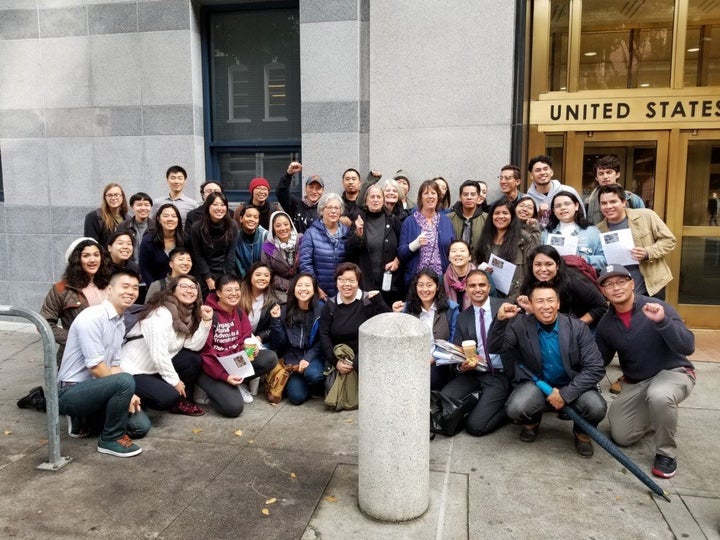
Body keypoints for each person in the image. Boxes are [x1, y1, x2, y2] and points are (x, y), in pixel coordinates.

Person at [594, 265, 696, 478]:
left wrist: (662, 321)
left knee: (660, 395)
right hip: (638, 381)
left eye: (621, 281)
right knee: (622, 436)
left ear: (632, 284)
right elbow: (599, 361)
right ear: (603, 291)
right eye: (609, 284)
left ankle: (666, 453)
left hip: (673, 372)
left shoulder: (658, 307)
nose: (616, 288)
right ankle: (658, 416)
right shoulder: (605, 324)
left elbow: (687, 347)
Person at [488, 282, 606, 457]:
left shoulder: (578, 328)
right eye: (540, 301)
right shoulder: (520, 324)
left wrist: (565, 394)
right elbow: (495, 347)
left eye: (550, 300)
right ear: (531, 305)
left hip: (572, 384)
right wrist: (500, 321)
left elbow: (596, 368)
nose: (546, 306)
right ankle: (533, 421)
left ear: (558, 303)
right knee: (516, 408)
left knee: (596, 407)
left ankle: (582, 433)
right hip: (538, 384)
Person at [57, 269, 150, 457]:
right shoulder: (92, 317)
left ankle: (88, 420)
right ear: (109, 289)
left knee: (140, 426)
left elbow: (114, 364)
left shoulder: (119, 322)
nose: (130, 292)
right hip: (72, 391)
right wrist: (126, 390)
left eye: (134, 288)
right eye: (125, 286)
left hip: (98, 388)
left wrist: (128, 395)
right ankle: (110, 439)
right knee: (125, 381)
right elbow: (97, 367)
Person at [120, 275, 210, 416]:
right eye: (184, 286)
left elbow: (193, 346)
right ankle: (134, 396)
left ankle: (177, 400)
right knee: (167, 398)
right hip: (133, 371)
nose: (189, 290)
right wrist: (175, 382)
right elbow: (158, 355)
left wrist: (206, 322)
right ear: (173, 291)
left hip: (154, 368)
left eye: (193, 287)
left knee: (192, 359)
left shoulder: (186, 316)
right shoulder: (160, 313)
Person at [440, 269, 510, 436]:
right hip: (473, 372)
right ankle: (481, 406)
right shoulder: (464, 317)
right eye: (472, 285)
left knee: (476, 427)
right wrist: (461, 367)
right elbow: (457, 350)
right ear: (466, 288)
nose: (477, 289)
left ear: (489, 287)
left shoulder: (504, 307)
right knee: (444, 399)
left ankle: (507, 408)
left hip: (498, 374)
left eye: (481, 285)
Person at [198, 274, 279, 416]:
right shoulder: (210, 315)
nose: (234, 294)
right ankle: (209, 389)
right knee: (233, 409)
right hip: (211, 368)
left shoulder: (239, 313)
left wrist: (250, 352)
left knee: (270, 357)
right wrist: (225, 377)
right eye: (229, 290)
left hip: (233, 362)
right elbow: (206, 352)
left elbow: (245, 339)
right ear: (218, 293)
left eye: (237, 289)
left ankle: (238, 382)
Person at [596, 183, 676, 299]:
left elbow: (669, 240)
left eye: (613, 202)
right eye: (604, 203)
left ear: (623, 202)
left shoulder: (646, 216)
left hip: (651, 285)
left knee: (652, 316)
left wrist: (648, 252)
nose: (608, 206)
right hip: (619, 290)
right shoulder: (598, 230)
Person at [40, 238, 112, 366]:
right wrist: (74, 340)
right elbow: (45, 323)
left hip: (108, 353)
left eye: (96, 255)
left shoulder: (110, 284)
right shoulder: (62, 288)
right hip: (75, 357)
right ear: (77, 260)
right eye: (86, 256)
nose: (92, 260)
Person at [392, 269, 459, 390]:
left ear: (437, 286)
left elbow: (454, 339)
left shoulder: (450, 308)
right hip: (412, 358)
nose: (425, 290)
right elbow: (400, 338)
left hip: (440, 359)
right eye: (420, 285)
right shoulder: (406, 308)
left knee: (429, 379)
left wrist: (433, 358)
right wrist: (396, 316)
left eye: (429, 285)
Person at [319, 263, 390, 373]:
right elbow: (324, 335)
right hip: (339, 357)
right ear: (336, 283)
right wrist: (335, 362)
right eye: (341, 279)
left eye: (352, 280)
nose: (346, 284)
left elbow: (388, 323)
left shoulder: (368, 300)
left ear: (358, 283)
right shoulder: (330, 305)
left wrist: (379, 302)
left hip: (366, 358)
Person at [518, 245, 607, 329]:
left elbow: (601, 306)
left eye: (549, 264)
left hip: (583, 326)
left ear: (557, 265)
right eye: (538, 265)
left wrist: (576, 327)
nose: (543, 269)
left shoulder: (574, 280)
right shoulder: (530, 282)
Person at [272, 273, 326, 405]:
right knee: (296, 398)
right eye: (299, 285)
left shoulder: (321, 309)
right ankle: (304, 384)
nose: (303, 289)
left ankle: (315, 383)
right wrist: (276, 320)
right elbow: (279, 343)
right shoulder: (284, 309)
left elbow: (322, 339)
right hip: (293, 360)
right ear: (293, 289)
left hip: (314, 356)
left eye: (307, 285)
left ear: (314, 289)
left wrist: (307, 358)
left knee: (313, 375)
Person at [345, 185, 402, 305]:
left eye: (378, 197)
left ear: (383, 200)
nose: (375, 200)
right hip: (365, 283)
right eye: (372, 197)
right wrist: (358, 235)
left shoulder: (393, 220)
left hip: (389, 283)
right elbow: (348, 252)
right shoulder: (359, 219)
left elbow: (402, 246)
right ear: (366, 200)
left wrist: (397, 260)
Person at [474, 200, 539, 300]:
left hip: (517, 297)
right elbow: (477, 261)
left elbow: (535, 260)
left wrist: (534, 227)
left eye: (505, 213)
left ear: (512, 216)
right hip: (490, 295)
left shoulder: (523, 238)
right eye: (496, 213)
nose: (500, 216)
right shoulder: (486, 238)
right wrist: (481, 269)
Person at [398, 180, 455, 287]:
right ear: (420, 198)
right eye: (426, 193)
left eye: (433, 193)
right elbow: (401, 254)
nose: (430, 196)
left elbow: (453, 250)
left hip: (441, 280)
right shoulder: (409, 222)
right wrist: (414, 245)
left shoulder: (446, 221)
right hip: (416, 280)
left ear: (438, 197)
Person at [298, 192, 349, 300]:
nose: (333, 211)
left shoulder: (347, 233)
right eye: (329, 207)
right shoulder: (311, 233)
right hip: (321, 293)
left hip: (344, 291)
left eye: (337, 208)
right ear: (322, 210)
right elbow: (305, 264)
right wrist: (315, 287)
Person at [189, 192, 238, 297]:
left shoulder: (232, 226)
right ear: (208, 206)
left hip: (225, 270)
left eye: (222, 204)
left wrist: (224, 278)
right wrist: (208, 278)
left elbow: (230, 254)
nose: (219, 208)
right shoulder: (197, 227)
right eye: (215, 204)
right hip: (204, 272)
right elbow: (198, 255)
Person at [542, 191, 606, 272]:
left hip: (582, 280)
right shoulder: (547, 233)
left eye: (567, 204)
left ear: (576, 206)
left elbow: (605, 260)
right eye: (558, 206)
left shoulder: (592, 232)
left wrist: (584, 259)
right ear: (553, 211)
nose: (563, 208)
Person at [525, 155, 585, 227]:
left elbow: (581, 216)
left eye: (545, 169)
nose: (542, 172)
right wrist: (538, 214)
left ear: (551, 172)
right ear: (531, 175)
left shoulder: (568, 191)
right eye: (538, 170)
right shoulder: (527, 199)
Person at [586, 155, 645, 225]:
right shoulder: (588, 203)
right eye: (601, 173)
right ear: (596, 177)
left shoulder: (633, 200)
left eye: (609, 172)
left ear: (617, 174)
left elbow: (643, 225)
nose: (605, 177)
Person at [238, 261, 282, 350]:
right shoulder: (237, 294)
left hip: (256, 341)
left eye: (266, 275)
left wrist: (260, 338)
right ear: (250, 276)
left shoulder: (273, 301)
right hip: (236, 339)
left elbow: (271, 329)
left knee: (269, 358)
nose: (262, 278)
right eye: (258, 275)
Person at [262, 210, 303, 303]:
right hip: (279, 289)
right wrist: (288, 285)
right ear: (272, 228)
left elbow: (307, 265)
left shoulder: (301, 240)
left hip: (302, 284)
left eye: (286, 224)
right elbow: (268, 273)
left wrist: (297, 285)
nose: (283, 228)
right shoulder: (268, 246)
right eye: (278, 225)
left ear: (291, 225)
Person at [139, 203, 184, 287]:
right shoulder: (148, 240)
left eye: (174, 216)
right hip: (156, 289)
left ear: (178, 220)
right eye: (166, 216)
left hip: (182, 287)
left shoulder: (186, 240)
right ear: (158, 219)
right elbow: (144, 268)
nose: (170, 219)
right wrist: (155, 287)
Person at [276, 161, 324, 233]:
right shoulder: (295, 205)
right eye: (311, 187)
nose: (314, 191)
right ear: (305, 188)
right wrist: (288, 174)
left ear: (323, 190)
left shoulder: (325, 209)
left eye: (318, 188)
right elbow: (281, 193)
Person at [448, 180, 487, 255]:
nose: (469, 197)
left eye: (473, 194)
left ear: (478, 197)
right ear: (460, 197)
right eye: (465, 194)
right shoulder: (448, 218)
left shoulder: (487, 219)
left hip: (479, 264)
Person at [84, 183, 129, 247]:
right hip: (104, 256)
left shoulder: (128, 219)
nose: (113, 198)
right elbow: (90, 245)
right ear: (105, 198)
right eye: (109, 195)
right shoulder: (94, 217)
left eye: (116, 195)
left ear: (122, 197)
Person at [117, 192, 154, 266]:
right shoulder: (123, 226)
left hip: (151, 268)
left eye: (146, 205)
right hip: (128, 267)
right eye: (139, 205)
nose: (143, 208)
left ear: (150, 207)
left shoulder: (156, 227)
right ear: (132, 207)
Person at [234, 205, 267, 278]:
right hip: (243, 280)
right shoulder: (235, 238)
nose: (252, 219)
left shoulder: (266, 236)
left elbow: (271, 261)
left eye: (255, 217)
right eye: (248, 216)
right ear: (241, 219)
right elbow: (238, 265)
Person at [443, 240, 476, 311]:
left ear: (470, 257)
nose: (458, 254)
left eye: (462, 250)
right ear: (449, 257)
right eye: (454, 251)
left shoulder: (481, 277)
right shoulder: (442, 280)